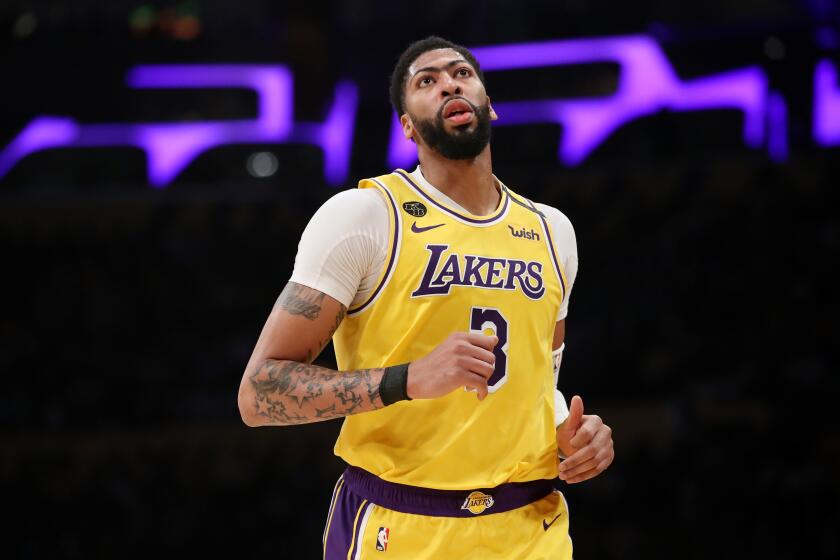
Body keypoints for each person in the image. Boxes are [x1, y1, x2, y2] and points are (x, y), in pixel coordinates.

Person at [238, 35, 615, 559]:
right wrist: (409, 379)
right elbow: (258, 394)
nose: (448, 84)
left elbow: (539, 382)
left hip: (531, 525)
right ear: (407, 127)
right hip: (402, 524)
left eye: (461, 74)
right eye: (426, 81)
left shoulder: (552, 230)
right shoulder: (365, 217)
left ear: (489, 103)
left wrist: (571, 436)